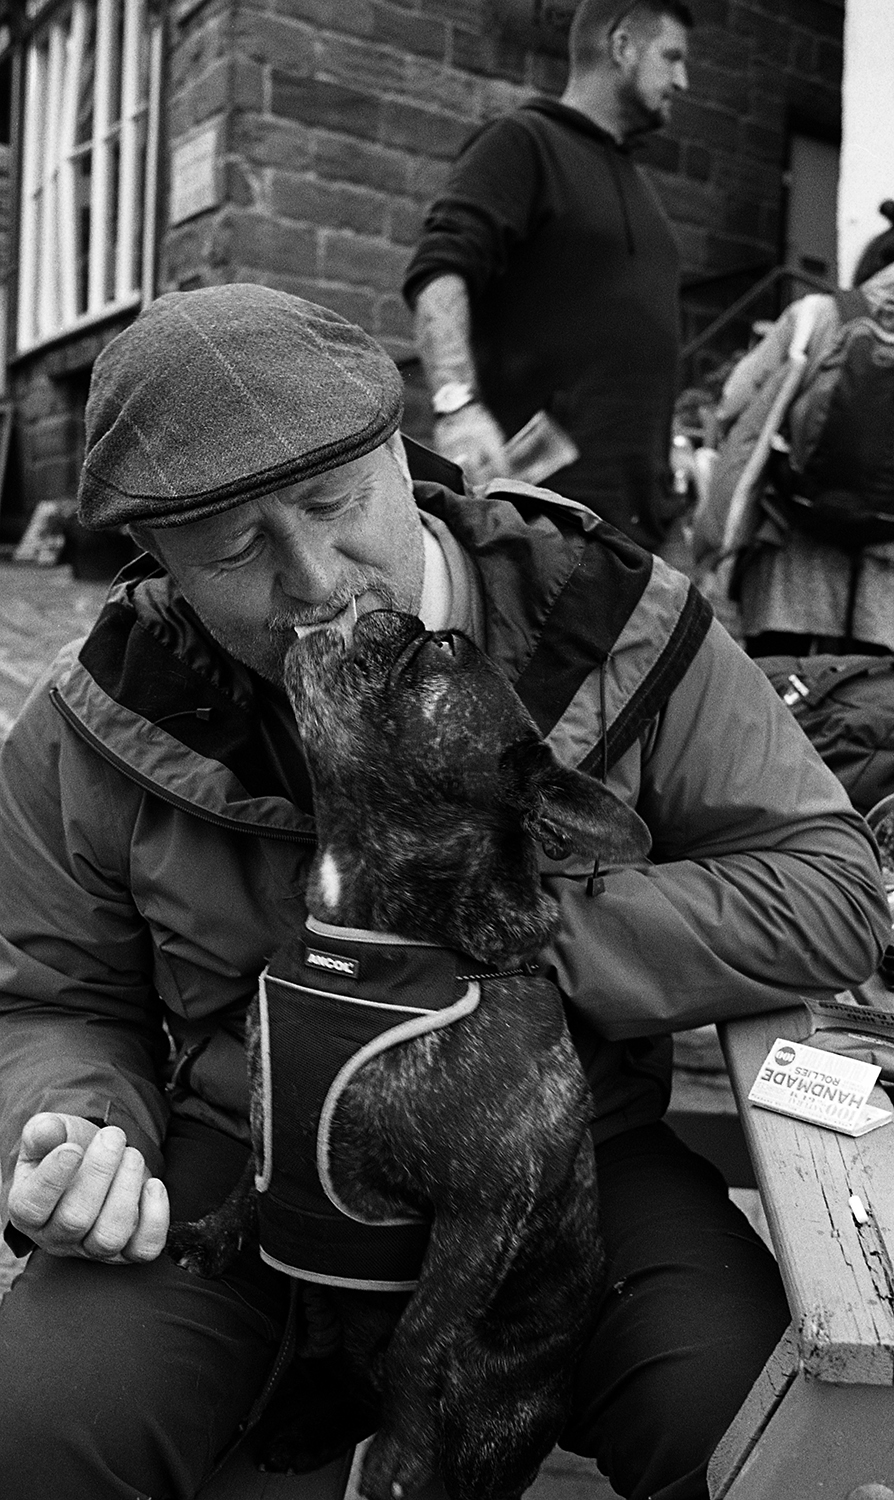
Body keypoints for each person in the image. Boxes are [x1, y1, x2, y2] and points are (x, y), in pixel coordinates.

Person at [0, 283, 889, 1500]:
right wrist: (74, 1122)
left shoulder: (612, 621)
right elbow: (52, 996)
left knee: (759, 1442)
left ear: (398, 453)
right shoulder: (99, 714)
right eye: (235, 549)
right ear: (158, 562)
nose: (314, 578)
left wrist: (490, 940)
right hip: (251, 1159)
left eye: (332, 504)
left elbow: (833, 886)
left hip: (575, 1153)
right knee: (35, 1431)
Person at [402, 0, 692, 553]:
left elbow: (637, 338)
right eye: (672, 57)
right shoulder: (521, 143)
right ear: (622, 47)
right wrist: (456, 406)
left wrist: (673, 440)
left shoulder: (640, 186)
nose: (683, 79)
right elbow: (440, 273)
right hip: (547, 523)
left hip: (648, 519)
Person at [692, 202, 894, 657]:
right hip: (885, 593)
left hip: (789, 566)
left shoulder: (816, 316)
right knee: (867, 715)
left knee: (780, 709)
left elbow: (734, 404)